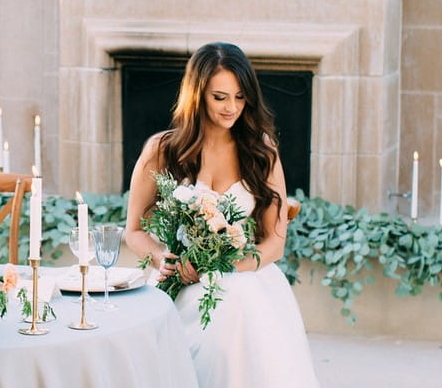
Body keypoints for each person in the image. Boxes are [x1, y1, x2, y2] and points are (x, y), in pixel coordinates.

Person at [125, 42, 320, 387]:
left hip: (246, 275)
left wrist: (220, 268)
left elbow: (275, 244)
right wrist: (162, 258)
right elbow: (134, 231)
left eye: (240, 97)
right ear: (197, 95)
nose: (232, 107)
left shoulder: (261, 150)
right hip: (180, 281)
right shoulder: (162, 150)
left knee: (239, 301)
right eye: (220, 97)